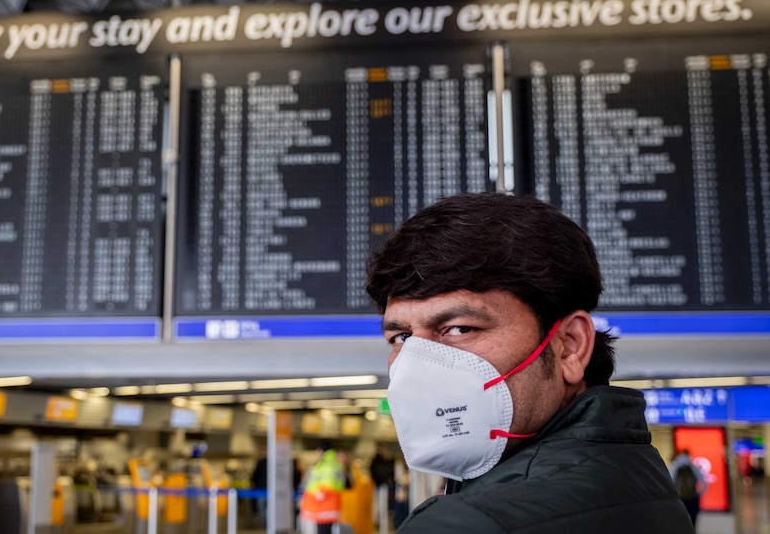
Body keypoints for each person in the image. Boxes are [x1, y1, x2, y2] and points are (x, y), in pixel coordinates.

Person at [365, 192, 694, 533]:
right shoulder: (636, 478)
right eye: (402, 337)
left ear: (570, 346)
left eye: (460, 328)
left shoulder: (465, 525)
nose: (418, 365)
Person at [299, 441, 347, 534]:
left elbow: (328, 485)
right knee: (325, 530)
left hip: (324, 506)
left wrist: (316, 496)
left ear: (322, 451)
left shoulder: (327, 465)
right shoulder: (333, 464)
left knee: (323, 531)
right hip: (327, 506)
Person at [669, 449, 707, 526]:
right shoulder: (693, 466)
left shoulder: (674, 466)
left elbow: (669, 482)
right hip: (692, 498)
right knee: (693, 523)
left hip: (679, 499)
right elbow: (703, 483)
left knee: (680, 523)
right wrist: (698, 494)